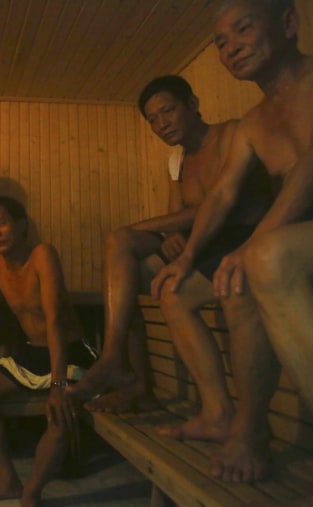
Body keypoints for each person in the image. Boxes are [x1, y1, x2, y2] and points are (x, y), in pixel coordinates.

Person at [151, 0, 313, 490]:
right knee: (205, 284)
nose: (230, 47)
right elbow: (222, 195)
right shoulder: (251, 123)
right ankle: (237, 420)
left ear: (287, 23)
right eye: (220, 41)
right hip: (302, 232)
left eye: (242, 29)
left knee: (262, 257)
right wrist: (185, 258)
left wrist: (256, 243)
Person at [68, 75, 272, 430]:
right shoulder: (177, 161)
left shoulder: (231, 135)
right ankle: (117, 356)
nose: (161, 123)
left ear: (192, 105)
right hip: (204, 244)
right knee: (121, 247)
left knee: (136, 249)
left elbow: (220, 202)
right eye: (153, 119)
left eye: (168, 111)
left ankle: (124, 369)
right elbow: (178, 212)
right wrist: (173, 234)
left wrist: (152, 227)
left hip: (242, 239)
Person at [0, 196, 96, 507]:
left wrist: (57, 386)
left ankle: (31, 493)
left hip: (68, 352)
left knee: (61, 407)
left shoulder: (43, 255)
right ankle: (8, 480)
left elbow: (53, 319)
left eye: (2, 223)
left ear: (22, 224)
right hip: (32, 353)